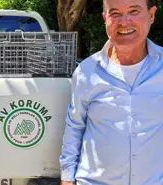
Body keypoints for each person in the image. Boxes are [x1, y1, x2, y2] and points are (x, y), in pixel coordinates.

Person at [59, 0, 163, 184]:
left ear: (152, 15)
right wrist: (67, 178)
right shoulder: (87, 71)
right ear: (105, 18)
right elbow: (75, 126)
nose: (124, 21)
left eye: (134, 11)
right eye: (115, 13)